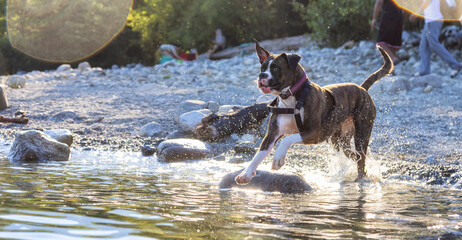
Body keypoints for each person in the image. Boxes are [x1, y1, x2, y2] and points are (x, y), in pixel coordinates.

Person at [410, 0, 462, 78]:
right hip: (428, 21)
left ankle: (456, 65)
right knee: (423, 46)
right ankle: (424, 71)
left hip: (434, 20)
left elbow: (426, 3)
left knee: (433, 43)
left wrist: (415, 13)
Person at [371, 0, 404, 65]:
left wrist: (374, 18)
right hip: (399, 17)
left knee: (380, 43)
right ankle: (392, 69)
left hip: (388, 16)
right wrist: (403, 21)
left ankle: (394, 58)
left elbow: (379, 2)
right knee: (392, 45)